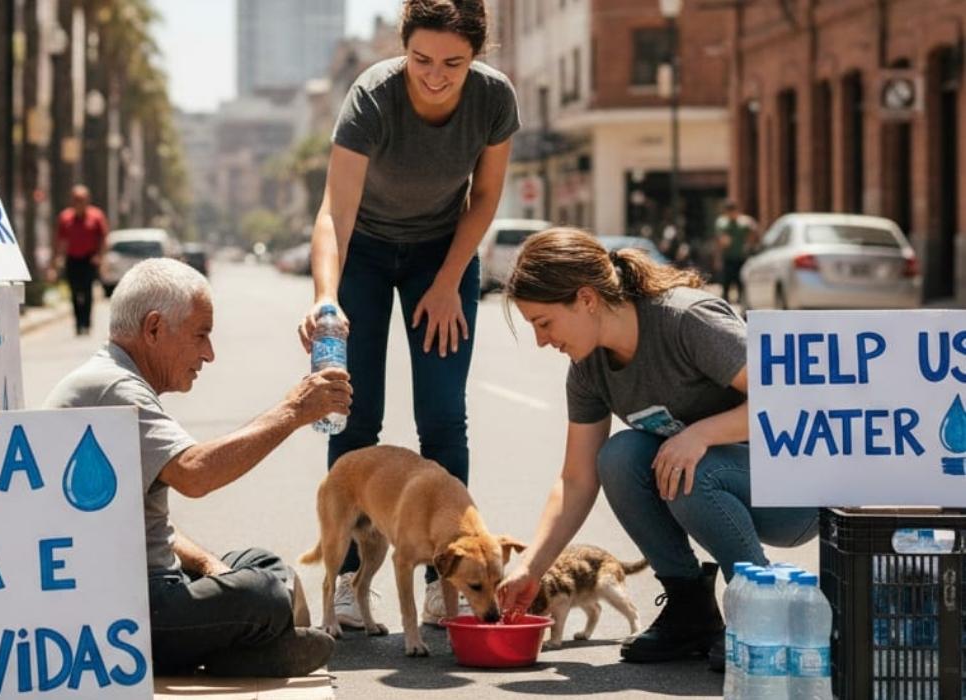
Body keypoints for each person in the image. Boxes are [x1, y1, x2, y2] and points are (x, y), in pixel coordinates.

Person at [494, 228, 817, 670]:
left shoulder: (686, 320)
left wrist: (701, 434)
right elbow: (576, 477)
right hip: (712, 483)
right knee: (619, 457)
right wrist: (531, 566)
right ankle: (691, 611)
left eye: (543, 323)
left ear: (586, 298)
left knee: (688, 466)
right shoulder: (588, 368)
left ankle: (764, 612)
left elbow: (789, 400)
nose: (541, 341)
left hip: (796, 491)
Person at [297, 0, 518, 628]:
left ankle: (442, 579)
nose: (435, 74)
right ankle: (346, 584)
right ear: (404, 48)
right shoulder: (372, 97)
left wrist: (450, 281)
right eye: (421, 59)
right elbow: (333, 214)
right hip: (361, 249)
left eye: (453, 62)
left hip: (442, 252)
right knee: (352, 409)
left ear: (476, 55)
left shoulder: (494, 100)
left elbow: (486, 197)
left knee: (443, 416)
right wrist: (325, 297)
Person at [44, 258, 353, 677]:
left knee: (260, 565)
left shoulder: (115, 378)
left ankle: (243, 648)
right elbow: (195, 473)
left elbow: (144, 522)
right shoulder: (114, 387)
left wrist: (208, 566)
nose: (208, 353)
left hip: (151, 586)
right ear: (154, 329)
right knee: (264, 594)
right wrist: (296, 409)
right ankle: (238, 653)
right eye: (200, 335)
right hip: (128, 607)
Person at [52, 185, 110, 336]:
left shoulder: (96, 216)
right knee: (74, 292)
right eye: (76, 200)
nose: (79, 203)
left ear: (87, 200)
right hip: (72, 260)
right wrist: (56, 260)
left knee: (87, 291)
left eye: (82, 200)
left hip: (89, 260)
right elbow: (59, 240)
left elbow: (103, 239)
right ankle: (77, 323)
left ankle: (86, 323)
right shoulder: (65, 217)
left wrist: (100, 257)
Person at [715, 200, 758, 305]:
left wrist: (749, 244)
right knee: (727, 280)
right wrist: (718, 256)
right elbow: (720, 240)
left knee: (740, 280)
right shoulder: (722, 223)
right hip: (728, 257)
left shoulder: (743, 222)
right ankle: (725, 302)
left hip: (741, 256)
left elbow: (753, 230)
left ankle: (741, 301)